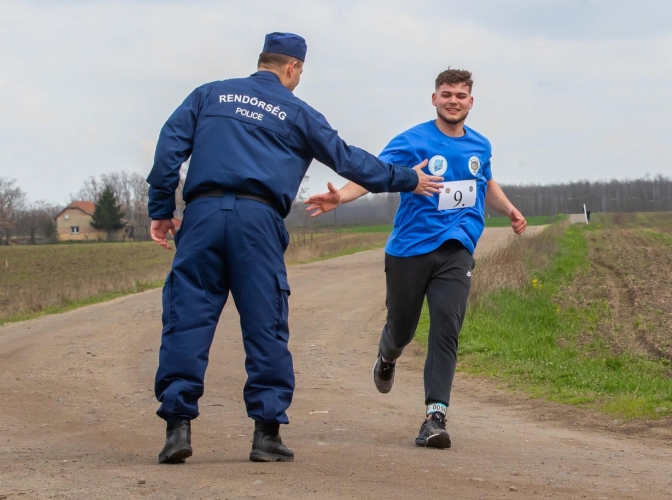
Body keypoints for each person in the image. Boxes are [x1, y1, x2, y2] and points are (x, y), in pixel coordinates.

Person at [147, 32, 443, 465]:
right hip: (257, 221)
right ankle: (265, 435)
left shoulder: (209, 95)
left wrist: (161, 209)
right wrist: (408, 178)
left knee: (186, 318)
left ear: (262, 61)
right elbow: (349, 160)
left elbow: (168, 149)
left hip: (202, 217)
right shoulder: (298, 112)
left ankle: (177, 429)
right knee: (265, 323)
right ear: (293, 67)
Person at [305, 69, 526, 449]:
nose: (453, 101)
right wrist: (341, 196)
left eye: (460, 95)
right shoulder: (412, 140)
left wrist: (509, 209)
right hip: (410, 249)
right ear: (434, 98)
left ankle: (435, 418)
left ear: (471, 102)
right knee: (402, 329)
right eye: (446, 94)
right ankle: (387, 356)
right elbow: (373, 173)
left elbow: (485, 182)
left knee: (446, 327)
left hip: (457, 250)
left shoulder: (480, 145)